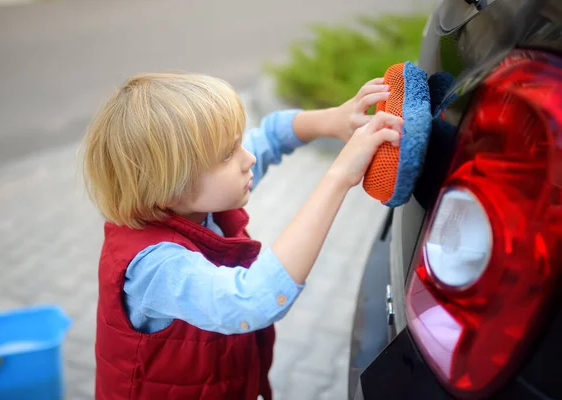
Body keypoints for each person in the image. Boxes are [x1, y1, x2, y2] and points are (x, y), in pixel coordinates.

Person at [81, 72, 402, 400]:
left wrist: (334, 120)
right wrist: (339, 176)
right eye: (226, 155)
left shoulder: (190, 198)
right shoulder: (155, 268)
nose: (247, 158)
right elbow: (253, 300)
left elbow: (271, 136)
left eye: (237, 143)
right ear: (168, 188)